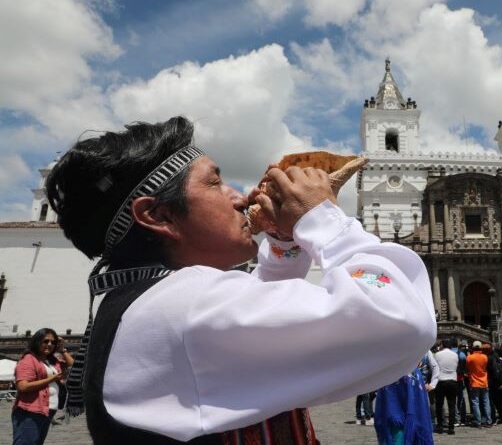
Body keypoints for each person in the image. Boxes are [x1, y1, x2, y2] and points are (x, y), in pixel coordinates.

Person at [46, 117, 437, 444]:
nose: (238, 197)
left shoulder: (154, 302)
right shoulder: (185, 306)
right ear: (159, 216)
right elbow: (400, 321)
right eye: (215, 183)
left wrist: (284, 242)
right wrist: (323, 220)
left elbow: (262, 312)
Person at [12, 328, 74, 445]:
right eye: (46, 341)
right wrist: (52, 379)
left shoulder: (52, 361)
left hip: (47, 411)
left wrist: (62, 350)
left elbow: (74, 367)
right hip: (30, 411)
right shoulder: (29, 360)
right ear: (37, 341)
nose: (50, 344)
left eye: (53, 342)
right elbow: (23, 386)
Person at [433, 338, 459, 435]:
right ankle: (451, 427)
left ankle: (440, 426)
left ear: (442, 345)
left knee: (439, 405)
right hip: (452, 380)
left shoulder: (437, 354)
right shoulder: (455, 355)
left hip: (441, 381)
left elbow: (434, 367)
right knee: (452, 405)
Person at [466, 341, 492, 428]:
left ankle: (478, 421)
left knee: (475, 402)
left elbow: (468, 368)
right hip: (484, 381)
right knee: (486, 402)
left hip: (474, 382)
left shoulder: (469, 357)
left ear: (473, 348)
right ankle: (488, 420)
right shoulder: (485, 357)